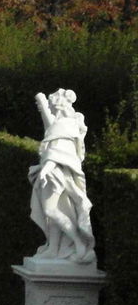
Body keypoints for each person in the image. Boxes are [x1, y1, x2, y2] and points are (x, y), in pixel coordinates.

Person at [29, 89, 96, 263]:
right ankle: (53, 247)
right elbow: (50, 126)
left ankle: (78, 242)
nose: (50, 105)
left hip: (56, 173)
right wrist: (42, 104)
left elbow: (59, 152)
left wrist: (45, 169)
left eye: (51, 102)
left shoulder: (67, 124)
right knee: (54, 209)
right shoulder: (60, 124)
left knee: (51, 209)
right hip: (51, 172)